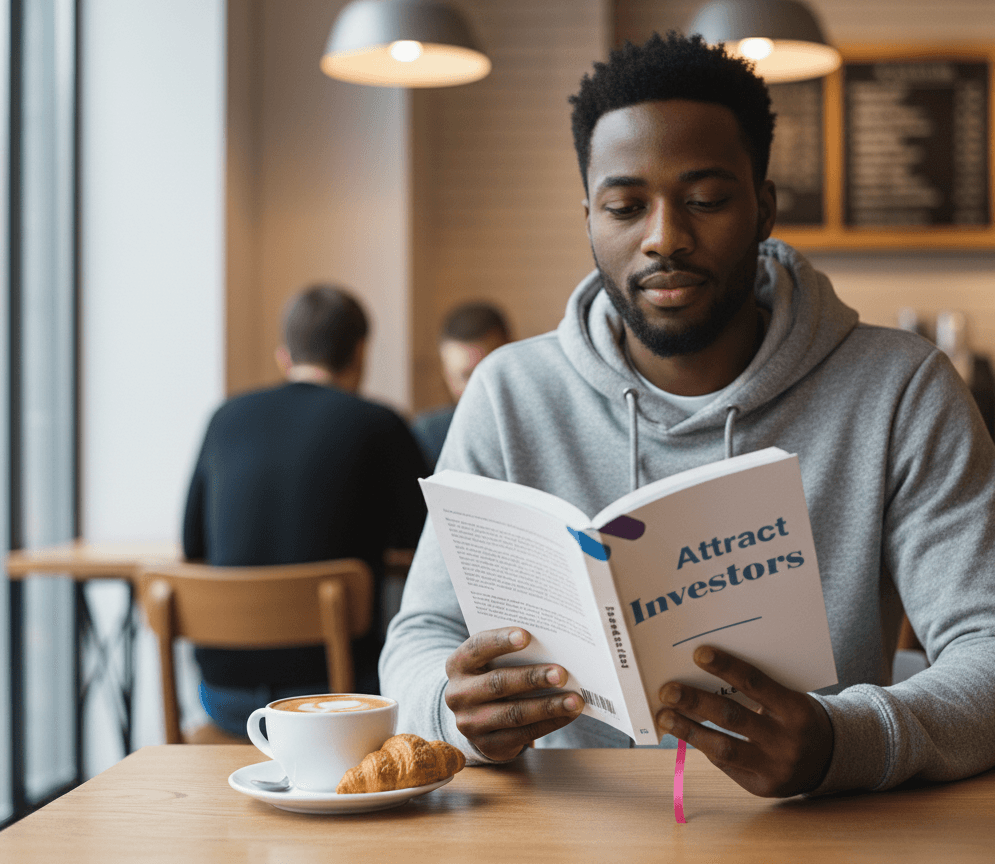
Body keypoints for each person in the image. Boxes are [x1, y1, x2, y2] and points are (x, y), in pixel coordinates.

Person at [380, 32, 995, 798]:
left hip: (814, 831)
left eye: (704, 200)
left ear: (764, 206)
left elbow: (986, 651)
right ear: (588, 220)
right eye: (625, 206)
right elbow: (419, 637)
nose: (664, 237)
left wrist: (846, 740)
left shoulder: (900, 389)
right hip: (564, 832)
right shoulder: (509, 392)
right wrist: (448, 709)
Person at [183, 284, 428, 737]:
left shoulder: (224, 418)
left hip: (224, 696)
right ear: (359, 353)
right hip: (338, 699)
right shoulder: (380, 424)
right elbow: (425, 540)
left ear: (285, 356)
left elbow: (192, 543)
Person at [412, 302, 511, 470]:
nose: (477, 387)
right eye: (465, 376)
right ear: (446, 374)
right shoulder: (427, 436)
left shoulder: (544, 429)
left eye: (487, 373)